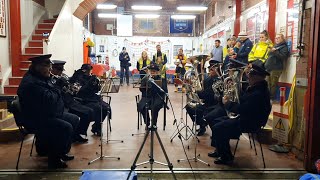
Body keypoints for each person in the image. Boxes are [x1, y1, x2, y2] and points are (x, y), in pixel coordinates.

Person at [17, 54, 76, 168]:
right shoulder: (31, 83)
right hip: (35, 119)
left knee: (73, 119)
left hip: (47, 114)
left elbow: (52, 98)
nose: (50, 69)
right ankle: (54, 160)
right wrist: (58, 87)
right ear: (37, 67)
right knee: (65, 127)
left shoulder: (41, 78)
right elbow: (49, 99)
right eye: (47, 66)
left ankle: (61, 152)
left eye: (50, 66)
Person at [209, 60, 271, 165]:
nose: (248, 78)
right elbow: (242, 101)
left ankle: (226, 157)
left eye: (250, 75)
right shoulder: (255, 89)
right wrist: (227, 98)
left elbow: (242, 109)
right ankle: (220, 150)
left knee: (219, 127)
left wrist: (228, 104)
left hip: (251, 122)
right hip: (246, 118)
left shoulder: (258, 93)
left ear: (257, 78)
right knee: (216, 121)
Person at [51, 60, 94, 143]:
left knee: (89, 111)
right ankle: (74, 135)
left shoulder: (62, 77)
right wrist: (57, 86)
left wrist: (73, 80)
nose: (60, 73)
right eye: (59, 70)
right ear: (53, 69)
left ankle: (77, 133)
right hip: (63, 104)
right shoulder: (51, 79)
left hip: (70, 100)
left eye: (61, 70)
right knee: (79, 116)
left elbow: (71, 89)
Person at [70, 64, 111, 136]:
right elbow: (81, 90)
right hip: (84, 99)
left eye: (90, 70)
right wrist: (90, 82)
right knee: (98, 108)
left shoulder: (92, 78)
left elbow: (96, 90)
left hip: (94, 98)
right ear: (84, 70)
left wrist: (97, 84)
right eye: (88, 71)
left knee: (106, 107)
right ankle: (93, 128)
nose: (90, 72)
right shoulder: (78, 78)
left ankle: (96, 126)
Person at [185, 59, 223, 136]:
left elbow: (208, 95)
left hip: (215, 105)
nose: (210, 71)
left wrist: (197, 92)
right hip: (206, 103)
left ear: (217, 70)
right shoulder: (207, 79)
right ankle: (202, 124)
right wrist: (195, 87)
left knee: (204, 111)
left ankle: (209, 127)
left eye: (212, 70)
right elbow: (203, 92)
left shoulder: (219, 80)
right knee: (188, 107)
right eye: (209, 69)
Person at [138, 62, 166, 128]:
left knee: (155, 106)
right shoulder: (145, 78)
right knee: (142, 106)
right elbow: (141, 89)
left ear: (157, 72)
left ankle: (153, 124)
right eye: (151, 71)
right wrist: (144, 86)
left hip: (157, 97)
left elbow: (164, 90)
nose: (152, 72)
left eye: (154, 71)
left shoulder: (161, 79)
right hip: (147, 97)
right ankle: (147, 122)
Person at [265, 33, 289, 99]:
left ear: (282, 39)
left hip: (276, 68)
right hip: (269, 67)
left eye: (278, 38)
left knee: (273, 84)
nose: (277, 39)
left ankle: (271, 98)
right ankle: (267, 98)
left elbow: (283, 57)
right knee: (267, 83)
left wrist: (275, 51)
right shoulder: (275, 46)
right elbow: (269, 55)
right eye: (276, 38)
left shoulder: (284, 47)